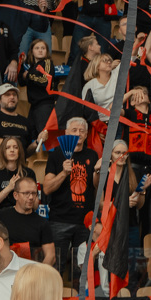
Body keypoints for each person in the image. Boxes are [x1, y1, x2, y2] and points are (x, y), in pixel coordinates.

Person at [41, 118, 98, 281]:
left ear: (86, 135)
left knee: (82, 271)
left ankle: (80, 298)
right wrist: (64, 173)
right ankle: (55, 297)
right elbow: (47, 188)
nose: (78, 133)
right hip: (60, 220)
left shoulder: (92, 155)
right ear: (66, 133)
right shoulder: (56, 155)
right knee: (55, 269)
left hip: (85, 222)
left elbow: (96, 187)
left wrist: (98, 172)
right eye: (74, 130)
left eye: (81, 131)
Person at [0, 176, 55, 266]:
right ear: (16, 195)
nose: (31, 197)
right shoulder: (0, 218)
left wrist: (38, 272)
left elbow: (51, 256)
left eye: (34, 193)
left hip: (31, 270)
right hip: (4, 269)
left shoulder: (42, 223)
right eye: (26, 193)